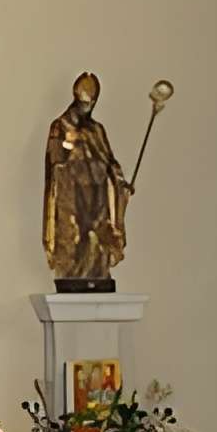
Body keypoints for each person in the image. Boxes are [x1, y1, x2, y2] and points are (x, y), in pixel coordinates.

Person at [41, 73, 132, 286]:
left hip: (98, 194)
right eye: (83, 104)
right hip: (72, 196)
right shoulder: (61, 126)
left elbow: (109, 160)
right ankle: (73, 271)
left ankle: (97, 272)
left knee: (98, 237)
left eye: (91, 104)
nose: (87, 109)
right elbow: (55, 162)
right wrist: (70, 150)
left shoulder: (97, 130)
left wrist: (119, 181)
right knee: (76, 240)